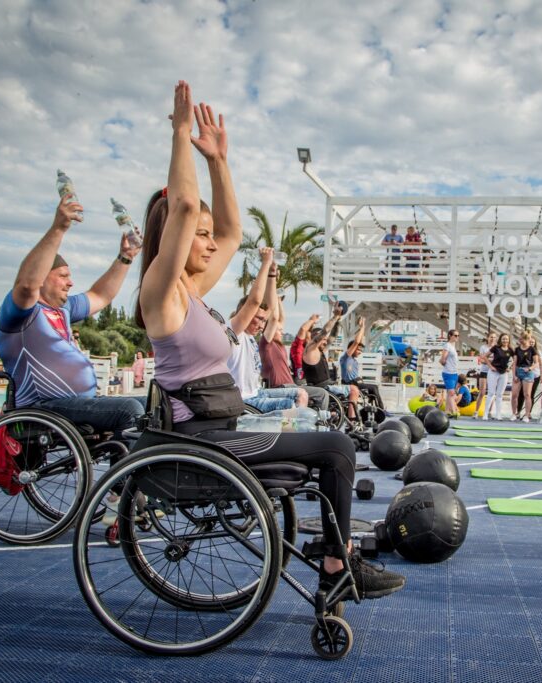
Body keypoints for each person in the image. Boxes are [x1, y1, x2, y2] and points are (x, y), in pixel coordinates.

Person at [134, 82, 403, 598]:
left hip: (223, 426)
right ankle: (336, 567)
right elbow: (185, 205)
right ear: (174, 239)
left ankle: (336, 561)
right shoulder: (161, 294)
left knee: (328, 437)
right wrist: (181, 135)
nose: (210, 243)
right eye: (199, 234)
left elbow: (233, 233)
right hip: (201, 441)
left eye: (207, 234)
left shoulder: (193, 294)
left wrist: (219, 161)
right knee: (337, 448)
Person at [0, 192, 145, 434]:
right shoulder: (20, 317)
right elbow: (26, 285)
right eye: (63, 276)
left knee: (150, 405)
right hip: (42, 407)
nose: (70, 282)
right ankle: (134, 460)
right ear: (42, 278)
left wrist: (125, 257)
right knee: (129, 410)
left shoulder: (64, 309)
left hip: (78, 403)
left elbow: (101, 295)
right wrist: (59, 228)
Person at [226, 256, 308, 413]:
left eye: (264, 321)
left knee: (301, 394)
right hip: (244, 399)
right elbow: (254, 302)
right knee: (291, 406)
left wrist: (272, 274)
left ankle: (298, 425)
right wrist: (265, 264)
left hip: (256, 392)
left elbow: (272, 312)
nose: (261, 325)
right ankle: (294, 428)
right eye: (258, 319)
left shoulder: (251, 337)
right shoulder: (235, 332)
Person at [259, 283, 329, 412]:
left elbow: (281, 319)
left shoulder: (279, 345)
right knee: (321, 394)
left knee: (321, 394)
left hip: (290, 385)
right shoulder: (267, 345)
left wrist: (279, 301)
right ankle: (312, 419)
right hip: (281, 387)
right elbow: (274, 319)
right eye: (279, 330)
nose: (282, 332)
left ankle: (316, 418)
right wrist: (273, 288)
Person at [341, 316, 385, 410]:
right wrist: (362, 327)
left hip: (356, 382)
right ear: (351, 349)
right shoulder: (346, 358)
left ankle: (373, 408)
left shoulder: (354, 360)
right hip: (349, 384)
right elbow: (356, 342)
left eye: (361, 350)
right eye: (358, 350)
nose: (360, 352)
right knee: (374, 387)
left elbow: (359, 342)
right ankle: (381, 409)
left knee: (372, 390)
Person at [293, 312, 341, 384]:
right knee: (352, 389)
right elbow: (325, 331)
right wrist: (335, 316)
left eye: (325, 340)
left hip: (327, 385)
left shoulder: (321, 350)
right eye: (323, 339)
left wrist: (337, 321)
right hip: (318, 387)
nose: (325, 343)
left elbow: (333, 336)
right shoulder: (310, 350)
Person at [485, 332, 513, 420]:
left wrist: (510, 368)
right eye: (503, 339)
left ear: (509, 340)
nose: (505, 340)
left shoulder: (510, 349)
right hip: (494, 372)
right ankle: (485, 414)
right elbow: (485, 356)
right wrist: (490, 366)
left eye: (506, 339)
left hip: (504, 373)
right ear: (500, 339)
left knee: (500, 394)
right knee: (491, 393)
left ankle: (498, 414)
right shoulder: (496, 348)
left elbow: (515, 360)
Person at [474, 332, 497, 420]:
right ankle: (476, 411)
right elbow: (481, 360)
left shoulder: (497, 348)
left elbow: (496, 360)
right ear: (487, 338)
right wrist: (490, 361)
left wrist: (487, 360)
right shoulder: (483, 347)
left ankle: (490, 412)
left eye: (494, 337)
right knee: (482, 392)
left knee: (492, 392)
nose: (492, 339)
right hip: (484, 371)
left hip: (493, 372)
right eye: (491, 337)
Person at [440, 328, 461, 418]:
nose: (457, 337)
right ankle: (454, 411)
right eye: (455, 335)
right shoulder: (447, 345)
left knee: (449, 393)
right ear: (450, 336)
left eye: (458, 335)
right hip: (448, 373)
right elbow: (442, 359)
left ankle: (447, 411)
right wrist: (445, 364)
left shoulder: (452, 346)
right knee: (452, 393)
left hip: (454, 372)